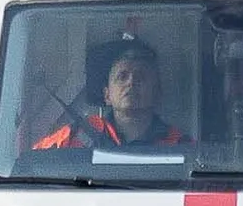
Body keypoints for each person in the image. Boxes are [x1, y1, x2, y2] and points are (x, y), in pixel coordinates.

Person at [33, 35, 191, 151]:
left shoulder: (179, 145)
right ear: (107, 95)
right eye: (122, 76)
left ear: (156, 93)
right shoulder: (76, 136)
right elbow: (33, 163)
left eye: (141, 77)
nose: (131, 82)